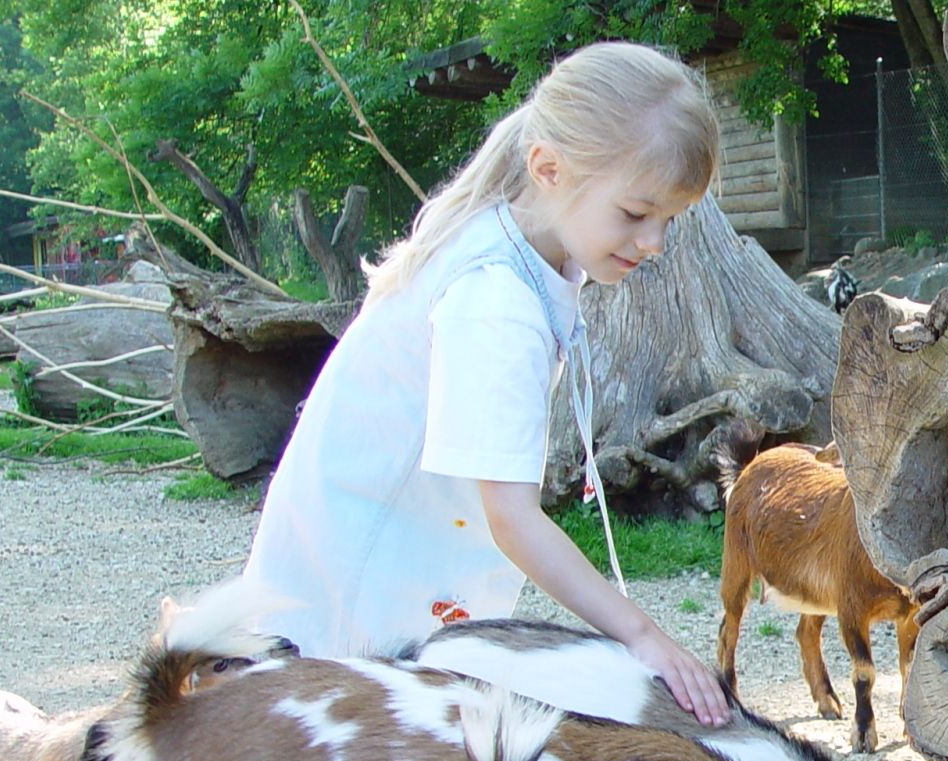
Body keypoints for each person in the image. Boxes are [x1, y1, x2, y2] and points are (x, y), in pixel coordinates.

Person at [243, 41, 729, 725]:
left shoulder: (514, 253)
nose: (654, 242)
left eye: (669, 220)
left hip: (385, 583)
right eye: (635, 213)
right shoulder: (496, 300)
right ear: (549, 169)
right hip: (355, 611)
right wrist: (645, 638)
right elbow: (511, 517)